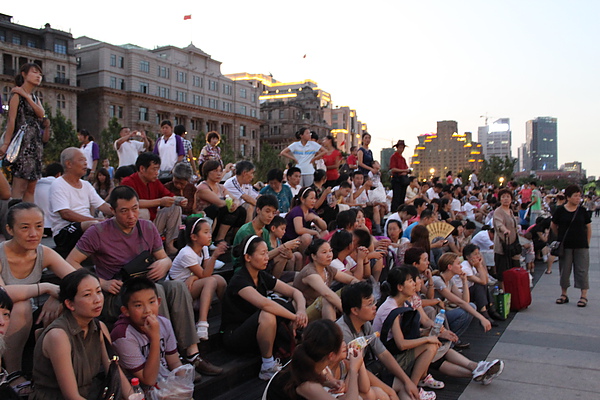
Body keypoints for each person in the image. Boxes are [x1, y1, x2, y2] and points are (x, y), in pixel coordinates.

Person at [66, 186, 222, 376]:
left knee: (177, 287)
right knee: (156, 291)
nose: (131, 215)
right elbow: (70, 262)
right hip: (117, 292)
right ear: (112, 211)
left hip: (145, 282)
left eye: (135, 208)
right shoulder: (98, 232)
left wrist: (164, 263)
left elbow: (163, 257)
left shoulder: (147, 227)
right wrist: (101, 283)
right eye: (124, 211)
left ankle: (192, 354)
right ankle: (163, 358)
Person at [30, 269, 131, 400]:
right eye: (87, 295)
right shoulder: (58, 336)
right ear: (70, 304)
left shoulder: (99, 327)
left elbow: (114, 372)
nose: (97, 300)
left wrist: (132, 396)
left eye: (99, 292)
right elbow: (71, 395)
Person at [0, 203, 76, 377]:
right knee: (21, 305)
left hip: (29, 319)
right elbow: (3, 294)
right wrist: (47, 288)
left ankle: (57, 374)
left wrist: (58, 296)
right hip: (7, 315)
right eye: (25, 228)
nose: (33, 234)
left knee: (69, 305)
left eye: (39, 226)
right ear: (9, 230)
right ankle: (13, 374)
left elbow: (78, 281)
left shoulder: (43, 253)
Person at [221, 235, 308, 380]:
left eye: (267, 252)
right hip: (235, 335)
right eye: (262, 254)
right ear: (248, 257)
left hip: (255, 329)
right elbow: (264, 304)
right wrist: (294, 317)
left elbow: (295, 292)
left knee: (290, 304)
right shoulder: (239, 280)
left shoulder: (261, 275)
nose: (267, 257)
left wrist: (301, 311)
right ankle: (267, 366)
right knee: (268, 312)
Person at [337, 282, 421, 400]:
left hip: (365, 373)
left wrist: (408, 381)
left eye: (374, 302)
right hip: (348, 383)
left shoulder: (365, 324)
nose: (374, 307)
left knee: (404, 386)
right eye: (370, 304)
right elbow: (355, 368)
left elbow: (383, 354)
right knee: (384, 393)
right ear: (355, 310)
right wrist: (390, 391)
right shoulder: (343, 333)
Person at [372, 267, 439, 390]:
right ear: (400, 287)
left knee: (432, 341)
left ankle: (418, 381)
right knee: (431, 346)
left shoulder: (403, 303)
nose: (414, 284)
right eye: (409, 281)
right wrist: (427, 339)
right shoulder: (390, 308)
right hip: (386, 358)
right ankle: (413, 388)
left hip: (394, 351)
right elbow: (401, 344)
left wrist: (426, 333)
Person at [111, 277, 186, 388]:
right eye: (138, 305)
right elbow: (148, 380)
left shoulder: (164, 323)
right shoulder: (123, 335)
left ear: (159, 302)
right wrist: (155, 337)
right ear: (125, 311)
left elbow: (174, 362)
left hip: (164, 382)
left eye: (151, 302)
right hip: (139, 389)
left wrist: (183, 384)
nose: (147, 310)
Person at [268, 319, 369, 400]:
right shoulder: (308, 386)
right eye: (341, 342)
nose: (344, 344)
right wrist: (353, 369)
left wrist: (327, 382)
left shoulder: (306, 360)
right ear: (331, 355)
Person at [170, 217, 227, 340]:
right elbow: (205, 276)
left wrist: (194, 277)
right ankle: (202, 324)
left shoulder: (204, 248)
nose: (210, 235)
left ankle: (228, 311)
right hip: (177, 291)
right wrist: (215, 256)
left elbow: (207, 271)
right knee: (211, 280)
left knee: (220, 280)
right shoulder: (186, 253)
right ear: (194, 237)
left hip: (189, 284)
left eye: (210, 232)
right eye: (205, 232)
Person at [49, 147, 113, 257]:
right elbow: (66, 214)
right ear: (68, 164)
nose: (86, 163)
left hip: (90, 225)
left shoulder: (86, 185)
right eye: (81, 160)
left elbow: (102, 205)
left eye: (85, 160)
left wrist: (122, 213)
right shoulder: (58, 184)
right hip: (65, 232)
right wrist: (97, 220)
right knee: (95, 225)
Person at [0, 63, 48, 202]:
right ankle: (14, 218)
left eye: (40, 74)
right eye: (34, 72)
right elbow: (11, 121)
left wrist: (26, 96)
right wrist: (6, 144)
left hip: (35, 143)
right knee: (20, 185)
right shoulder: (16, 95)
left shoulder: (34, 97)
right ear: (24, 74)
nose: (38, 76)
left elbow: (41, 114)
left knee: (31, 187)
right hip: (23, 143)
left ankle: (28, 217)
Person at [121, 152, 185, 255]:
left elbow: (168, 195)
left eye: (158, 169)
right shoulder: (128, 182)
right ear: (142, 169)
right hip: (134, 226)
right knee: (143, 212)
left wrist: (179, 200)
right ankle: (142, 248)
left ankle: (169, 245)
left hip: (153, 221)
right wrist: (160, 201)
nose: (157, 173)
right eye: (154, 169)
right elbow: (131, 203)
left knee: (175, 208)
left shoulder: (154, 182)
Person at [233, 195, 301, 278]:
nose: (270, 216)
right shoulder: (246, 231)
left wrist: (287, 251)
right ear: (258, 210)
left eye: (273, 213)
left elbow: (269, 253)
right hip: (245, 268)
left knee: (285, 259)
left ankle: (273, 283)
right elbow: (249, 259)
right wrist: (283, 247)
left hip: (261, 264)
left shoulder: (265, 232)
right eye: (267, 211)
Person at [294, 239, 359, 321]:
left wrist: (359, 288)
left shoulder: (328, 269)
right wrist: (349, 313)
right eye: (324, 252)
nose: (329, 255)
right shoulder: (310, 273)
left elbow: (351, 279)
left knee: (349, 288)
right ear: (314, 256)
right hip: (304, 313)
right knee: (327, 299)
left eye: (330, 251)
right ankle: (333, 331)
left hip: (321, 309)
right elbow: (327, 293)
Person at [432, 253, 492, 338]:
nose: (461, 266)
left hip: (442, 313)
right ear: (450, 267)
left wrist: (464, 281)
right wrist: (481, 318)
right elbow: (459, 302)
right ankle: (448, 339)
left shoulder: (450, 280)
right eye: (458, 264)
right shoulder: (438, 280)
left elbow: (465, 301)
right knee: (463, 312)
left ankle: (454, 338)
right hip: (435, 315)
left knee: (472, 306)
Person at [552, 184, 592, 307]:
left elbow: (588, 227)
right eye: (575, 196)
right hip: (566, 246)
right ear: (568, 197)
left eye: (579, 196)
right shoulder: (560, 210)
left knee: (582, 270)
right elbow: (553, 225)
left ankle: (583, 295)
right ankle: (564, 294)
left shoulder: (582, 211)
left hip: (581, 245)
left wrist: (587, 242)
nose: (578, 198)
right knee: (565, 270)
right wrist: (560, 237)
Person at [194, 160, 246, 242]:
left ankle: (235, 239)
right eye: (215, 171)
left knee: (241, 211)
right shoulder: (203, 187)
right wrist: (231, 204)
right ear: (207, 172)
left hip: (218, 217)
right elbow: (219, 203)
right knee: (226, 209)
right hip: (206, 217)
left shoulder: (220, 187)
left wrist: (235, 204)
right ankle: (219, 239)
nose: (219, 174)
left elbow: (235, 199)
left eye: (220, 171)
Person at [283, 187, 328, 252]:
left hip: (302, 239)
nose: (314, 201)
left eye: (314, 198)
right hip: (291, 240)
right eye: (311, 198)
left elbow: (324, 227)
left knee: (325, 233)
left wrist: (316, 218)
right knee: (306, 237)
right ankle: (305, 260)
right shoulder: (297, 211)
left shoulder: (310, 211)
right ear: (302, 199)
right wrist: (314, 232)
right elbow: (299, 230)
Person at [493, 189, 520, 289]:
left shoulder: (510, 211)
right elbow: (499, 223)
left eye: (508, 197)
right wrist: (505, 230)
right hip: (502, 245)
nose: (506, 199)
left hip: (513, 245)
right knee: (502, 273)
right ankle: (503, 294)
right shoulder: (498, 211)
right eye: (503, 197)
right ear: (499, 199)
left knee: (514, 270)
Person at [34, 163, 63, 234]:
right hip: (54, 227)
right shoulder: (61, 186)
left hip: (38, 226)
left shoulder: (35, 186)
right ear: (59, 174)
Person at [390, 140, 411, 212]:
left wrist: (406, 171)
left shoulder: (403, 158)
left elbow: (406, 168)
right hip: (397, 179)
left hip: (403, 179)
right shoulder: (394, 156)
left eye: (402, 148)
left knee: (402, 197)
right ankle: (395, 211)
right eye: (400, 147)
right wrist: (403, 171)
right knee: (396, 197)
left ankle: (401, 210)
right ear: (397, 148)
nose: (401, 149)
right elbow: (393, 168)